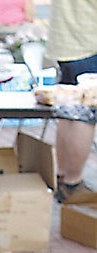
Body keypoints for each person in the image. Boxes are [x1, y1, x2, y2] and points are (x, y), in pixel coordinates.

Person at [47, 0, 96, 202]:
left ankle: (62, 176)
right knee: (86, 113)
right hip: (88, 41)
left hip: (64, 43)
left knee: (68, 111)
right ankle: (73, 183)